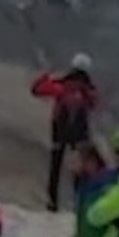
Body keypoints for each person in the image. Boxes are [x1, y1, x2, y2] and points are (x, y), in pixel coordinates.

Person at [30, 54, 100, 211]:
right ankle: (78, 202)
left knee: (55, 166)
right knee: (78, 169)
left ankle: (52, 202)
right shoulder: (88, 90)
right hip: (79, 134)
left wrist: (48, 76)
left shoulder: (62, 85)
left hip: (59, 131)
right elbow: (94, 104)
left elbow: (36, 89)